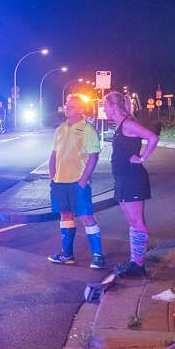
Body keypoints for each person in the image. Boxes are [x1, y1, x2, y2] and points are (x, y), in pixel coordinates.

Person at [102, 91, 159, 278]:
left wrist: (142, 158)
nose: (104, 109)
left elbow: (153, 137)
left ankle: (139, 265)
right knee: (132, 222)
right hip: (123, 179)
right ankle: (135, 261)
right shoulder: (119, 126)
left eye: (105, 106)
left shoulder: (128, 124)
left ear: (114, 107)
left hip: (133, 178)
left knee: (137, 222)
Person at [46, 94, 105, 269]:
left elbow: (94, 156)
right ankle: (67, 254)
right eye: (66, 105)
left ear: (80, 109)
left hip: (78, 183)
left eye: (71, 106)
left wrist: (83, 180)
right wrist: (51, 176)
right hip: (59, 182)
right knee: (65, 216)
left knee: (87, 217)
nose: (67, 108)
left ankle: (97, 255)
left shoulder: (88, 130)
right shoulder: (60, 130)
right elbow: (54, 155)